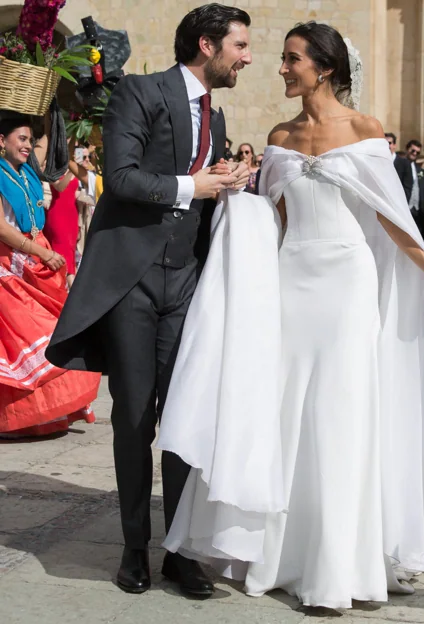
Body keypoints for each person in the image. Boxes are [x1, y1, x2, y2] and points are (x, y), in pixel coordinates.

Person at [157, 20, 424, 610]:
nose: (281, 68)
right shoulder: (279, 136)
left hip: (348, 283)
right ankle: (280, 554)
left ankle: (337, 566)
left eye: (292, 59)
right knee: (288, 410)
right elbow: (272, 220)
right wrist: (233, 195)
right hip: (292, 283)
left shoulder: (366, 129)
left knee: (340, 413)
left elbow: (391, 215)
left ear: (323, 67)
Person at [46, 4, 252, 597]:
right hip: (134, 282)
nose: (246, 56)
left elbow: (198, 187)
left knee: (186, 418)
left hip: (187, 284)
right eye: (239, 44)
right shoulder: (140, 92)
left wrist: (227, 179)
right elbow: (124, 174)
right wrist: (197, 184)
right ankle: (134, 549)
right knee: (135, 419)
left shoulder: (215, 111)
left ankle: (180, 551)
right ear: (208, 44)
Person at [0, 114, 101, 437]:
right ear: (1, 141)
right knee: (26, 338)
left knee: (52, 330)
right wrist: (40, 251)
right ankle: (15, 418)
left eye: (31, 140)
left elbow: (53, 162)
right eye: (22, 139)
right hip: (8, 268)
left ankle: (42, 415)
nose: (28, 145)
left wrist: (59, 113)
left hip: (34, 266)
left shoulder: (26, 172)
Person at [405, 139, 424, 236]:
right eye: (412, 150)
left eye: (417, 152)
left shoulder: (419, 169)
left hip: (417, 210)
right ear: (407, 149)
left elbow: (422, 189)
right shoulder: (400, 164)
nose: (414, 153)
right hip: (405, 208)